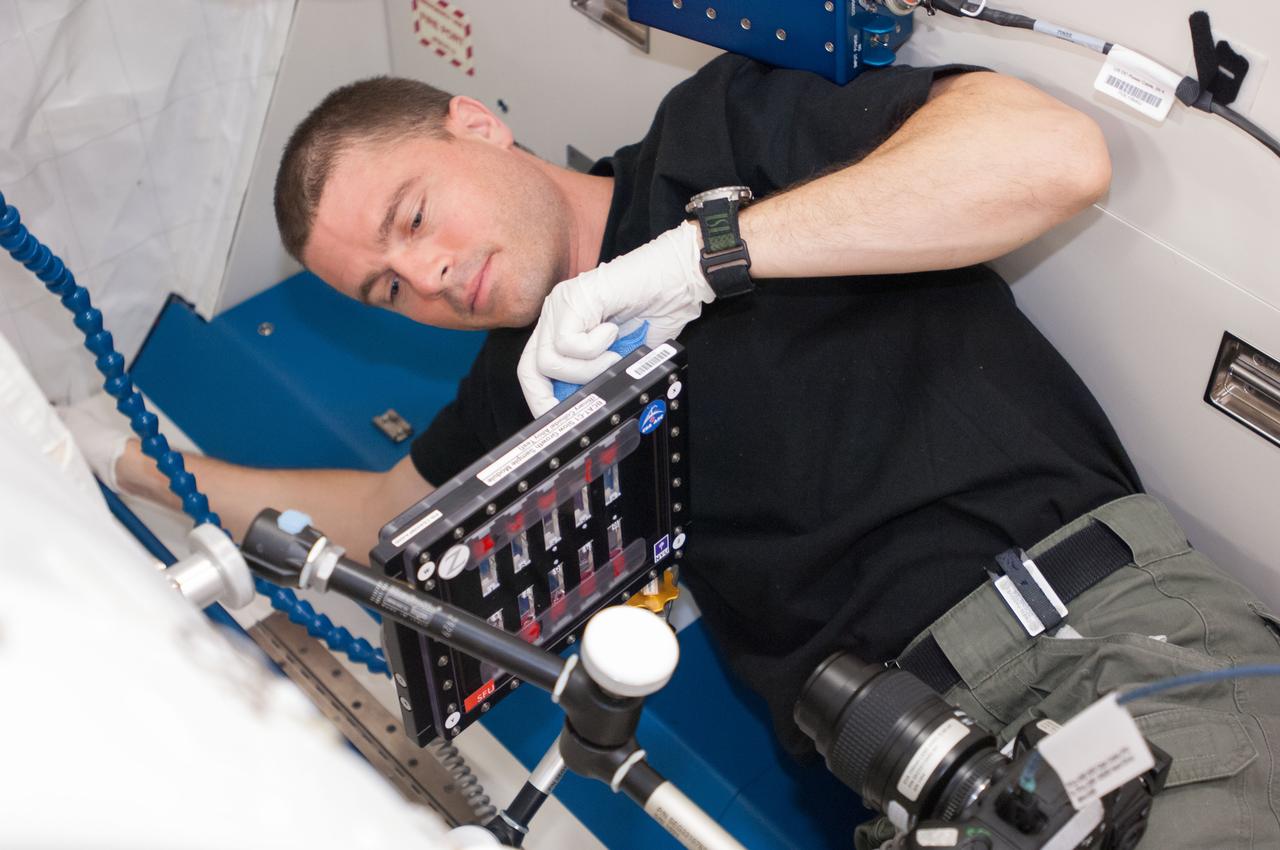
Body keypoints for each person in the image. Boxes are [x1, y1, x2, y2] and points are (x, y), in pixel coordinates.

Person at [68, 56, 1279, 847]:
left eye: (415, 217)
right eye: (390, 285)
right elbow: (381, 517)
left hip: (1093, 645)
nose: (428, 275)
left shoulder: (716, 136)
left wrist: (701, 257)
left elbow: (1048, 158)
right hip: (902, 774)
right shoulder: (523, 380)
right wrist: (125, 454)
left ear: (477, 125)